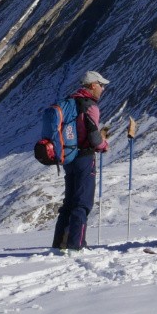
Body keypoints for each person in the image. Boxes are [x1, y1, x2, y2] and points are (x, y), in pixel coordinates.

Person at [52, 71, 110, 251]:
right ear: (93, 85)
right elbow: (93, 138)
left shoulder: (69, 102)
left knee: (69, 202)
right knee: (82, 202)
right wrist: (104, 144)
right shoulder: (90, 106)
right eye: (101, 85)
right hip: (85, 158)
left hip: (68, 157)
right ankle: (76, 245)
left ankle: (59, 243)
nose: (103, 89)